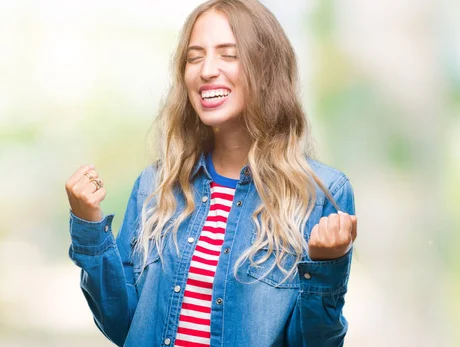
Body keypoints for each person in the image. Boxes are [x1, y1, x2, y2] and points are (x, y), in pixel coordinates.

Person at [64, 1, 357, 346]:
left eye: (228, 55)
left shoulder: (321, 193)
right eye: (194, 57)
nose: (206, 71)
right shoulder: (154, 187)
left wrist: (325, 268)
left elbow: (313, 342)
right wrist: (89, 225)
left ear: (266, 70)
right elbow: (122, 324)